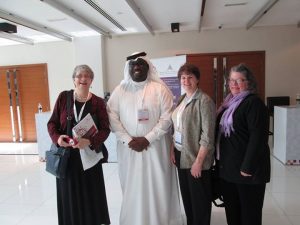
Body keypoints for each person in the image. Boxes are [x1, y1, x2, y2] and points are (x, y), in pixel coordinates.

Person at [107, 52, 183, 225]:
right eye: (134, 64)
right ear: (129, 68)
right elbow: (112, 118)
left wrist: (147, 139)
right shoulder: (120, 91)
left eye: (141, 64)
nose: (137, 67)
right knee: (133, 185)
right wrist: (129, 140)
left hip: (156, 147)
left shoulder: (160, 89)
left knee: (158, 184)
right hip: (129, 149)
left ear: (148, 67)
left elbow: (167, 117)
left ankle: (160, 219)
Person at [47, 65, 110, 225]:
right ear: (74, 79)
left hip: (89, 158)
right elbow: (52, 123)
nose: (83, 79)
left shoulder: (98, 102)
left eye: (87, 76)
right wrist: (57, 138)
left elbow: (105, 129)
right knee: (69, 197)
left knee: (90, 197)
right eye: (79, 76)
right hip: (67, 159)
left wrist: (89, 141)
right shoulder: (64, 97)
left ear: (91, 80)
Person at [216, 63, 270, 225]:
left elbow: (258, 138)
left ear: (249, 82)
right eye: (231, 80)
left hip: (247, 172)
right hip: (229, 169)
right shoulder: (228, 104)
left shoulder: (254, 103)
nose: (234, 84)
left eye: (239, 80)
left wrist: (247, 167)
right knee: (232, 212)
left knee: (249, 215)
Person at [170, 63, 216, 225]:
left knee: (200, 202)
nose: (186, 81)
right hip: (181, 155)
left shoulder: (204, 101)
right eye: (183, 77)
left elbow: (208, 136)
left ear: (197, 80)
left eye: (190, 77)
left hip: (196, 158)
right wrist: (171, 150)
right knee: (188, 198)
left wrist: (199, 162)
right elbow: (176, 128)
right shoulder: (182, 99)